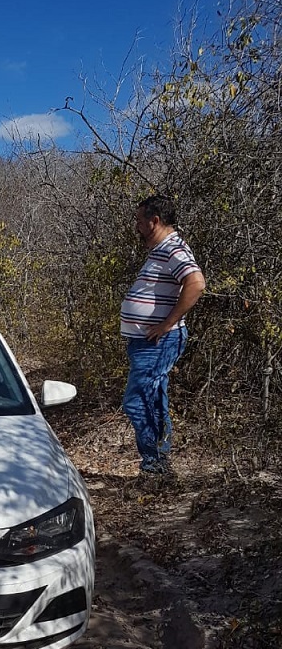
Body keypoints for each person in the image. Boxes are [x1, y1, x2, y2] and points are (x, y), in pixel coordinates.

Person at [120, 195, 206, 476]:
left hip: (157, 342)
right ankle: (160, 464)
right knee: (154, 398)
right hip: (147, 342)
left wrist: (168, 323)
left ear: (154, 221)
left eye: (139, 221)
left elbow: (196, 283)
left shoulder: (173, 249)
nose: (137, 226)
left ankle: (153, 464)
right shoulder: (162, 249)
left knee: (136, 401)